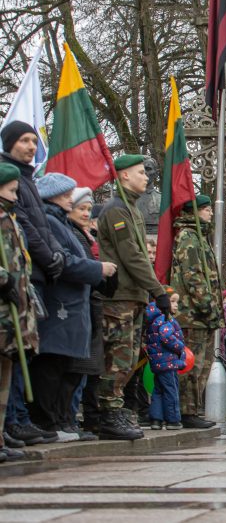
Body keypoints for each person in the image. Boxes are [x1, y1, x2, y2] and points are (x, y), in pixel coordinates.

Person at [30, 174, 116, 443]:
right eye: (66, 194)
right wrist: (98, 268)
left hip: (73, 306)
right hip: (61, 306)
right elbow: (65, 261)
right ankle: (48, 422)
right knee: (52, 368)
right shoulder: (53, 223)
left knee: (65, 368)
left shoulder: (60, 223)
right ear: (53, 196)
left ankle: (58, 420)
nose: (71, 198)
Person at [96, 154, 170, 440]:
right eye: (141, 172)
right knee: (116, 358)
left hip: (133, 295)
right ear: (124, 175)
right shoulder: (116, 211)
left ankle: (115, 408)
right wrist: (158, 290)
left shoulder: (131, 210)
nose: (147, 177)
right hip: (120, 297)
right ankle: (108, 412)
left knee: (126, 360)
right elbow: (132, 257)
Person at [1, 123, 65, 447]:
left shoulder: (27, 180)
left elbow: (40, 224)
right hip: (18, 280)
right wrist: (48, 254)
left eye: (33, 140)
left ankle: (17, 420)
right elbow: (25, 224)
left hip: (31, 275)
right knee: (14, 354)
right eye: (24, 140)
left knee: (23, 351)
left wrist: (54, 253)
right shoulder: (12, 179)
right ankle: (13, 422)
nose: (30, 146)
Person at [67, 186, 115, 436]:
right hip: (81, 305)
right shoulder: (74, 235)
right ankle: (71, 420)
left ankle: (78, 420)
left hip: (93, 306)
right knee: (79, 370)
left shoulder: (87, 237)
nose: (87, 214)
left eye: (88, 209)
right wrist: (99, 272)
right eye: (82, 209)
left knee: (89, 370)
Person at [169, 194, 220, 429]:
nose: (210, 213)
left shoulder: (199, 236)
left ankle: (192, 409)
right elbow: (194, 277)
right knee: (192, 365)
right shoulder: (189, 237)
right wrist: (208, 306)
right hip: (193, 315)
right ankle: (185, 410)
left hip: (202, 315)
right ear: (195, 211)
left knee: (202, 366)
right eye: (207, 209)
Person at [0, 162, 39, 461]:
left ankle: (1, 436)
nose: (15, 195)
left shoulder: (9, 219)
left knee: (6, 374)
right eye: (11, 190)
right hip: (3, 309)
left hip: (14, 312)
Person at [145, 290, 186, 430]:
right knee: (171, 390)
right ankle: (173, 420)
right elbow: (166, 336)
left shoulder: (154, 319)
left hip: (158, 361)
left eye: (177, 302)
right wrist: (180, 347)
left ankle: (156, 419)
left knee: (158, 390)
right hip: (168, 360)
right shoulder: (165, 319)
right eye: (172, 301)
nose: (175, 305)